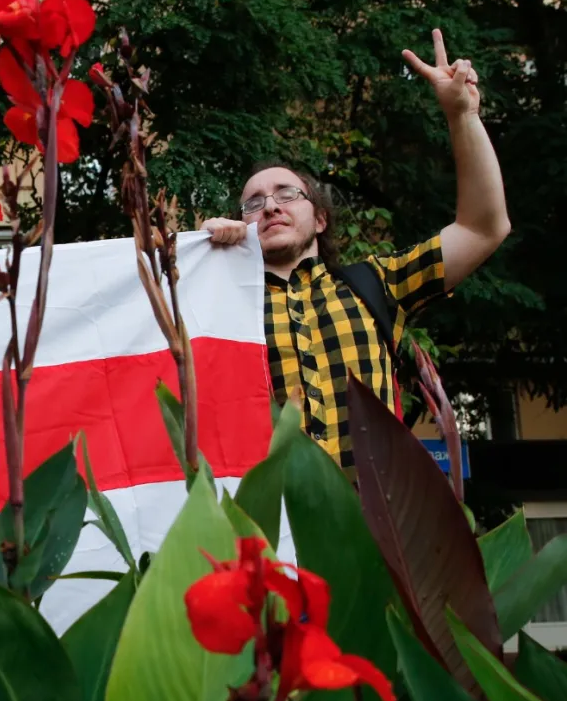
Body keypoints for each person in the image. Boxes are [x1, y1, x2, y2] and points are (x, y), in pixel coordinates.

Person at [202, 30, 511, 471]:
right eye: (253, 203)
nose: (270, 205)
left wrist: (463, 117)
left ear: (320, 218)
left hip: (374, 525)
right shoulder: (214, 307)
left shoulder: (378, 283)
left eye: (287, 193)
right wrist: (193, 256)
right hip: (266, 528)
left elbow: (483, 228)